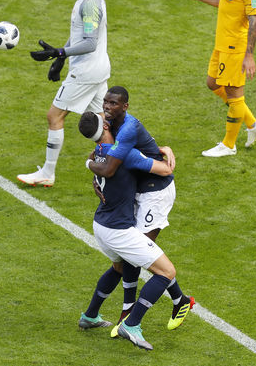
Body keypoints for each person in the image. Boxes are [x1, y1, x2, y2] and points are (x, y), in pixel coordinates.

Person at [84, 87, 194, 334]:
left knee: (138, 255)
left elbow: (111, 168)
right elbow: (100, 145)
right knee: (128, 258)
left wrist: (90, 164)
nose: (107, 107)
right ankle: (178, 301)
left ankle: (129, 313)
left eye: (113, 103)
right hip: (139, 189)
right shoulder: (110, 126)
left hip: (156, 193)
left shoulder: (127, 132)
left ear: (125, 106)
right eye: (105, 102)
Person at [17, 0, 110, 186]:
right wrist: (62, 57)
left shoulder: (89, 5)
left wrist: (61, 51)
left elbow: (89, 43)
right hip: (98, 70)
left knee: (54, 116)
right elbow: (79, 35)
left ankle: (47, 173)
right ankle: (116, 167)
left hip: (86, 73)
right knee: (102, 123)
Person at [176, 0, 256, 157]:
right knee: (213, 83)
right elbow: (225, 1)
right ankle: (253, 124)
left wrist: (249, 55)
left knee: (234, 94)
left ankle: (228, 145)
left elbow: (254, 19)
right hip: (222, 44)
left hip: (236, 47)